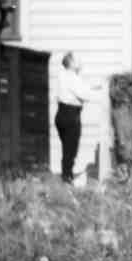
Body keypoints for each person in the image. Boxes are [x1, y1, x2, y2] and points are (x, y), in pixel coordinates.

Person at [54, 52, 95, 185]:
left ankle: (67, 176)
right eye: (77, 60)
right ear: (71, 63)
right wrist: (90, 89)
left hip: (61, 113)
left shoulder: (62, 76)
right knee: (71, 149)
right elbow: (85, 95)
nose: (80, 62)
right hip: (70, 114)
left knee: (67, 148)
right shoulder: (72, 77)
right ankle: (67, 179)